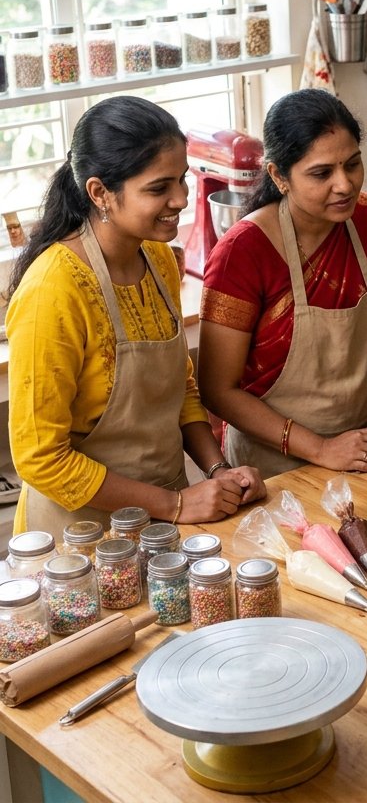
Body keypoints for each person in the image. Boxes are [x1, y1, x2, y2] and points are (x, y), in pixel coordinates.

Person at [5, 96, 266, 538]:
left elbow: (179, 390)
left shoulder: (161, 261)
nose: (181, 198)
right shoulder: (53, 289)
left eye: (181, 179)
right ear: (100, 193)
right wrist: (175, 503)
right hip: (80, 541)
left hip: (164, 526)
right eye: (158, 188)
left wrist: (218, 470)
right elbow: (41, 457)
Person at [198, 88, 367, 476]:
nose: (345, 184)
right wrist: (323, 449)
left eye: (352, 164)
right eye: (321, 173)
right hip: (273, 467)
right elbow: (218, 390)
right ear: (279, 176)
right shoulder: (243, 252)